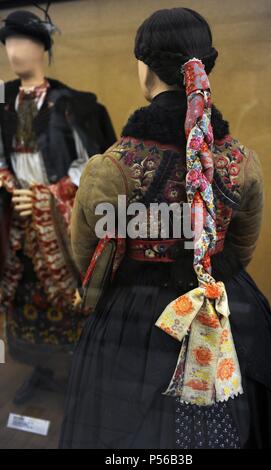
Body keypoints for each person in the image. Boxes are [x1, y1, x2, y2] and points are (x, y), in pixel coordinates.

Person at [59, 8, 271, 449]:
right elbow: (241, 247)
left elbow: (86, 253)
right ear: (206, 66)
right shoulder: (241, 160)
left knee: (127, 433)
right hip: (226, 304)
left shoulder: (110, 168)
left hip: (136, 318)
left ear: (146, 72)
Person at [0, 8, 116, 405]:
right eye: (9, 42)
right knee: (23, 296)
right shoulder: (3, 103)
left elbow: (92, 165)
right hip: (17, 218)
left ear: (44, 47)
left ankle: (78, 371)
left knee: (69, 298)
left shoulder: (72, 104)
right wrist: (10, 187)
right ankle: (39, 367)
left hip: (58, 222)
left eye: (25, 41)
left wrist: (48, 197)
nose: (15, 50)